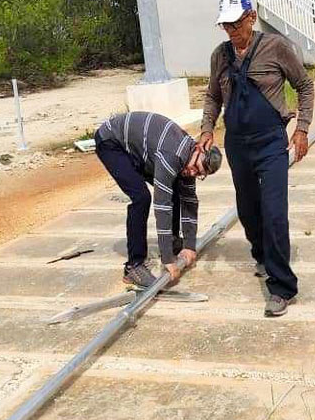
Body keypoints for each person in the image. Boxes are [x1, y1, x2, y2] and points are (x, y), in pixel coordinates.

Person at [199, 0, 314, 318]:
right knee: (248, 210)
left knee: (274, 211)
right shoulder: (220, 56)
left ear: (251, 17)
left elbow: (304, 86)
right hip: (237, 144)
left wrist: (302, 128)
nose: (232, 32)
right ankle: (263, 254)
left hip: (270, 142)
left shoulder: (276, 47)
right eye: (226, 26)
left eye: (236, 24)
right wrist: (208, 128)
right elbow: (212, 97)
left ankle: (282, 287)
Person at [94, 111, 222, 288]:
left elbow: (190, 201)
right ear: (198, 150)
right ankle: (133, 266)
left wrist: (189, 245)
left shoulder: (191, 160)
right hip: (112, 142)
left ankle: (173, 240)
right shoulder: (172, 156)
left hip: (141, 147)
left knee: (179, 187)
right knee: (141, 197)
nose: (193, 173)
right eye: (196, 168)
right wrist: (167, 259)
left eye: (199, 174)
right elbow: (162, 206)